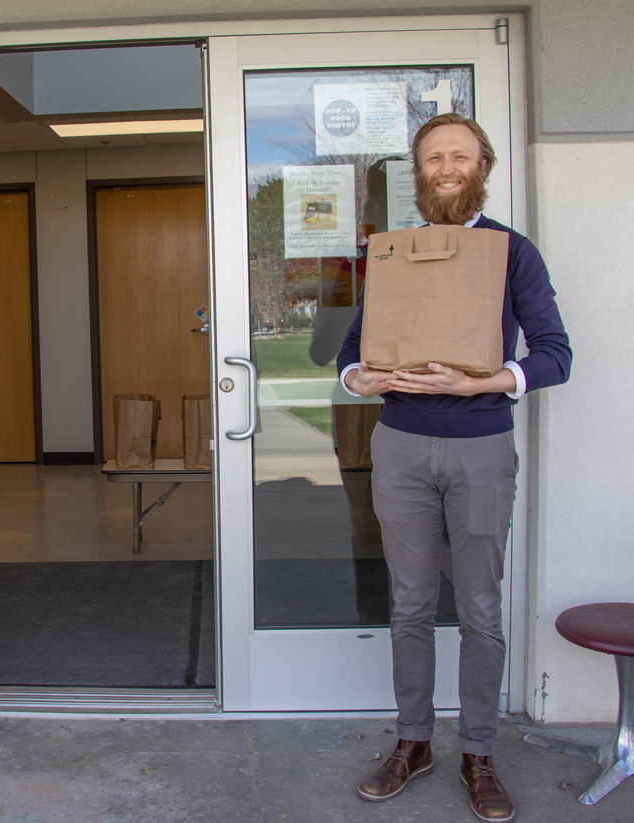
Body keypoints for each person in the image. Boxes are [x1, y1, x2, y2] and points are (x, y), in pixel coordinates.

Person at [337, 114, 571, 823]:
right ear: (419, 171)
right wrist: (360, 380)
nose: (446, 167)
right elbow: (351, 353)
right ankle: (414, 742)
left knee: (478, 609)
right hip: (402, 444)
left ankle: (477, 751)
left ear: (482, 166)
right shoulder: (393, 253)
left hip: (480, 447)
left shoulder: (510, 253)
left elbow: (556, 354)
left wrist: (486, 381)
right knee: (408, 604)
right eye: (433, 157)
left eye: (459, 157)